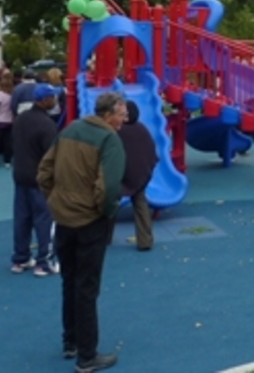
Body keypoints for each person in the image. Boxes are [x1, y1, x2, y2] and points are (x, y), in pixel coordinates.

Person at [37, 91, 127, 372]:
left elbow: (44, 171)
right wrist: (104, 210)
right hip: (89, 221)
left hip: (64, 218)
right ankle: (87, 356)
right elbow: (109, 187)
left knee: (69, 280)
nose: (124, 119)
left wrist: (56, 200)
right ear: (109, 114)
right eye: (122, 114)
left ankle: (71, 341)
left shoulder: (71, 129)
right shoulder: (109, 140)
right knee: (87, 287)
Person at [10, 84, 59, 276]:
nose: (54, 101)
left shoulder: (21, 119)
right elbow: (52, 155)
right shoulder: (46, 125)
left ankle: (20, 258)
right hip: (39, 178)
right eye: (52, 97)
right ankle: (44, 261)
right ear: (45, 100)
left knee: (22, 218)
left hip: (21, 174)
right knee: (44, 218)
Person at [113, 100, 158, 251]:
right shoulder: (142, 130)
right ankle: (145, 240)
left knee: (110, 204)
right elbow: (151, 152)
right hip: (139, 173)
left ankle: (105, 236)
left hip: (120, 174)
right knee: (140, 204)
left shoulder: (117, 131)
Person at [0, 72, 13, 167]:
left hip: (1, 120)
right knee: (8, 141)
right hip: (10, 120)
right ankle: (7, 161)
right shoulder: (12, 95)